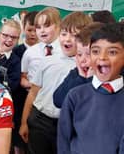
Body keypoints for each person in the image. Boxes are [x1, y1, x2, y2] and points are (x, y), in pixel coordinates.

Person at [19, 11, 92, 154]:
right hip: (39, 120)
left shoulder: (87, 68)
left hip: (68, 125)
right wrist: (23, 123)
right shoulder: (48, 60)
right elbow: (33, 93)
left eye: (75, 36)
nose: (68, 40)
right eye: (64, 34)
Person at [57, 23, 124, 154]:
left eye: (112, 52)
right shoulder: (75, 96)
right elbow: (64, 140)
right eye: (95, 51)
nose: (102, 57)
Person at [53, 22, 105, 108]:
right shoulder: (76, 73)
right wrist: (81, 78)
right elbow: (58, 101)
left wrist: (90, 79)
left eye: (88, 54)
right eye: (79, 54)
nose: (82, 60)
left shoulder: (110, 76)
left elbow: (93, 105)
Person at [12, 11, 38, 154]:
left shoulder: (47, 51)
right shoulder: (17, 51)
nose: (33, 34)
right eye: (29, 30)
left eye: (37, 30)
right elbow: (17, 79)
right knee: (18, 140)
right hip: (20, 101)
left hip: (38, 103)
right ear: (23, 28)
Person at [20, 7, 62, 90]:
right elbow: (23, 76)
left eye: (46, 26)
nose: (42, 31)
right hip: (35, 98)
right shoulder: (30, 52)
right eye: (38, 27)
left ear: (58, 26)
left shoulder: (66, 51)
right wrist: (32, 85)